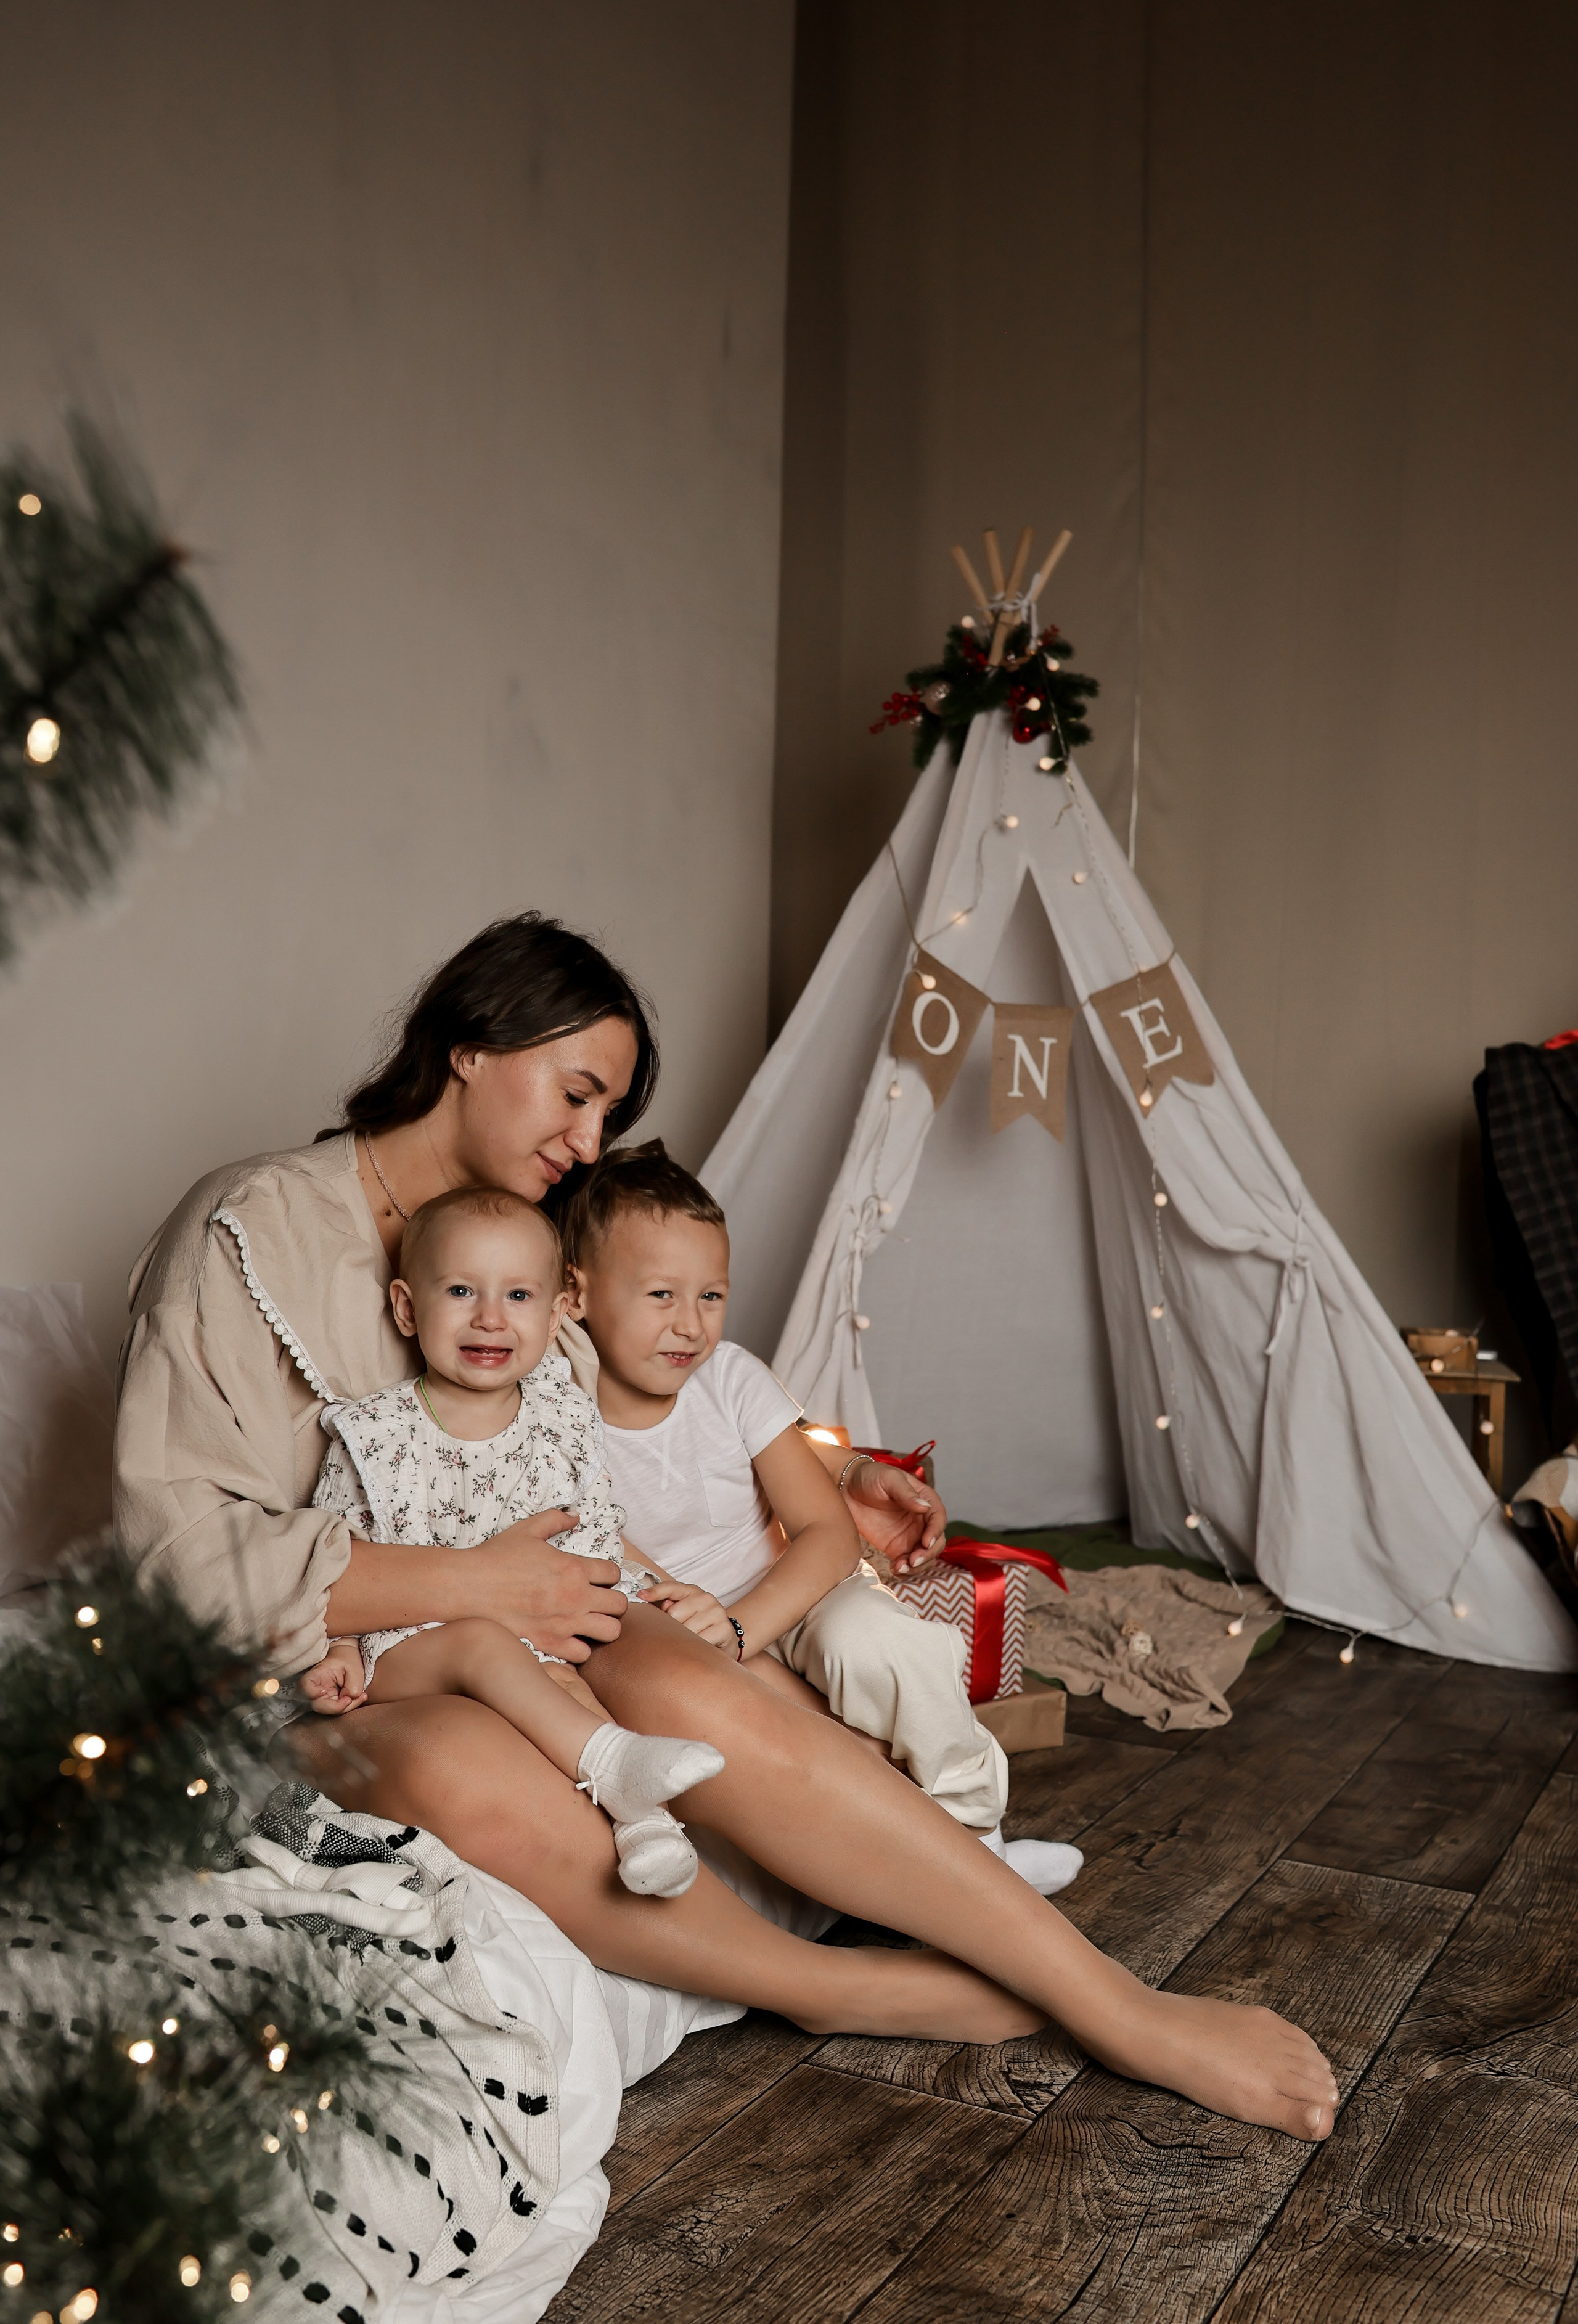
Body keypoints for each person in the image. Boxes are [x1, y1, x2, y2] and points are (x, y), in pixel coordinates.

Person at [115, 912, 1338, 2139]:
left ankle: (1112, 2000)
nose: (586, 1140)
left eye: (606, 1115)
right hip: (325, 1664)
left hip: (538, 1615)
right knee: (458, 1762)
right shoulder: (249, 1232)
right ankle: (828, 1991)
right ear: (472, 1045)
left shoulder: (542, 1254)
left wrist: (831, 1472)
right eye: (576, 1092)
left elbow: (678, 1394)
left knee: (699, 1685)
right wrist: (478, 1585)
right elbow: (176, 1562)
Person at [562, 1140, 1082, 1896]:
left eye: (711, 1296)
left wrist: (744, 1629)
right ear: (575, 1296)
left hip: (791, 1592)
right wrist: (720, 1642)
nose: (690, 1326)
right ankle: (891, 1868)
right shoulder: (559, 1422)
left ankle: (980, 1842)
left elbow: (827, 1533)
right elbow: (614, 1553)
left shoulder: (733, 1381)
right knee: (773, 1736)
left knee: (888, 1645)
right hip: (676, 1629)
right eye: (659, 1296)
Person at [299, 1181, 727, 1900]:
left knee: (568, 1685)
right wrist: (338, 1650)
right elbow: (334, 1559)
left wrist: (640, 1594)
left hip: (531, 1640)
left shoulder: (560, 1417)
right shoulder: (376, 1435)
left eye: (520, 1297)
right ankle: (622, 1771)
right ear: (408, 1308)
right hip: (402, 1646)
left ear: (559, 1311)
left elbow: (593, 1530)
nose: (491, 1319)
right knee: (482, 1644)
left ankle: (646, 1829)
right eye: (463, 1291)